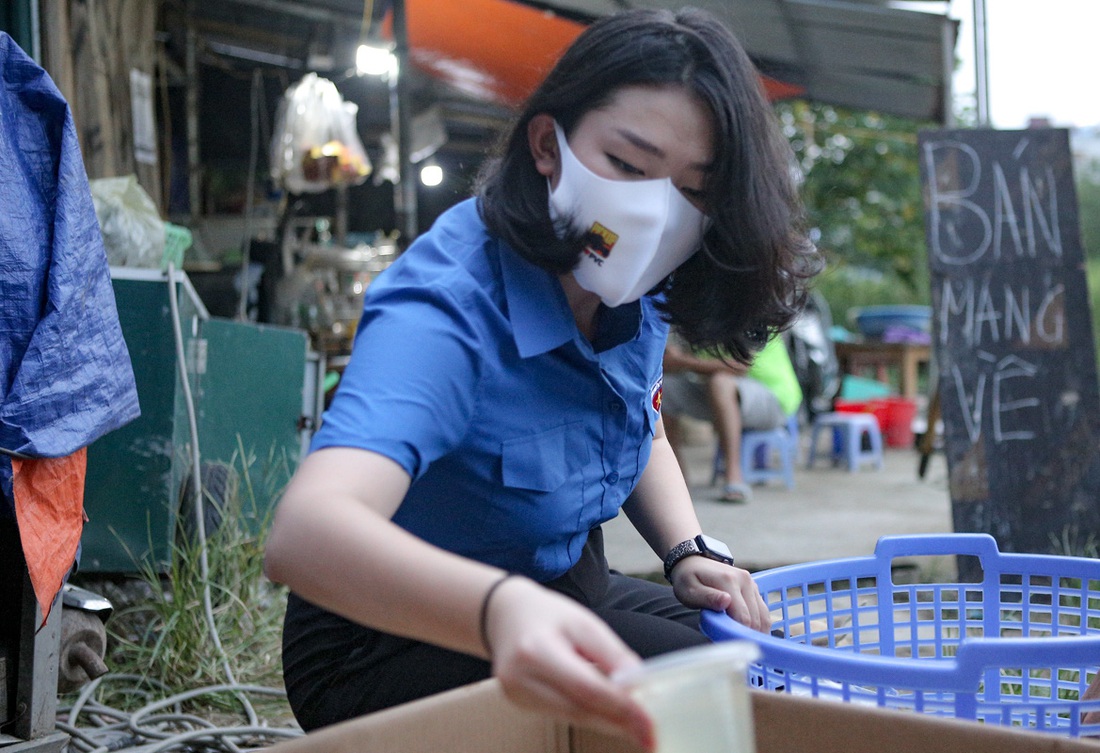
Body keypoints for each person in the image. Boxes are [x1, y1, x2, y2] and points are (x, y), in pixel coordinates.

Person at [263, 7, 819, 749]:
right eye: (627, 165)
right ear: (547, 145)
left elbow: (635, 420)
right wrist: (498, 610)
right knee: (694, 702)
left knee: (758, 660)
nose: (655, 213)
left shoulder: (635, 284)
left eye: (694, 188)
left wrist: (686, 549)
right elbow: (306, 536)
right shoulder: (449, 306)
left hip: (555, 587)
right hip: (385, 639)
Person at [662, 333, 803, 503]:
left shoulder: (751, 309)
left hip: (773, 400)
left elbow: (739, 366)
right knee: (662, 389)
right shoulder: (692, 317)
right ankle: (676, 479)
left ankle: (734, 478)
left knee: (720, 381)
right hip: (721, 396)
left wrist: (682, 361)